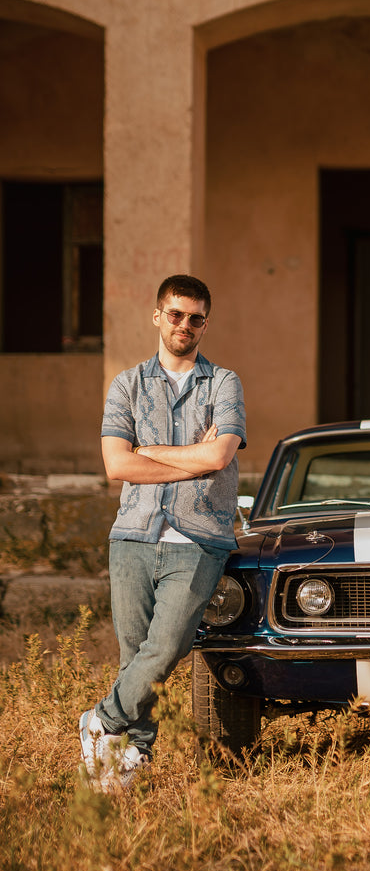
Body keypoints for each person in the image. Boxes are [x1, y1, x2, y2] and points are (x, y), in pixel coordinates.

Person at [79, 274, 246, 791]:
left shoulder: (223, 383)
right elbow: (115, 465)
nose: (185, 325)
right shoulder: (127, 384)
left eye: (196, 318)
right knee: (135, 653)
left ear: (205, 325)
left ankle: (101, 720)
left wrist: (146, 452)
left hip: (199, 538)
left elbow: (220, 454)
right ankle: (134, 757)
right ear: (158, 316)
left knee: (167, 647)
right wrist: (188, 463)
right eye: (176, 314)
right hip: (133, 534)